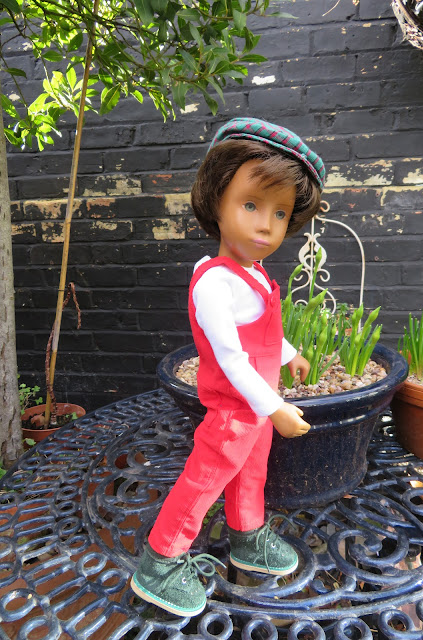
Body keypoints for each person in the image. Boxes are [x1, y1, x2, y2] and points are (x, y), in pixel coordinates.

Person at [131, 117, 326, 616]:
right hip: (234, 409)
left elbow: (263, 332)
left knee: (250, 475)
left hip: (255, 409)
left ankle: (248, 536)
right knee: (205, 480)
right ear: (216, 201)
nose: (266, 225)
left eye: (280, 213)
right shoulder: (215, 284)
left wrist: (289, 354)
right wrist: (275, 407)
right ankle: (160, 562)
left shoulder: (253, 274)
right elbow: (231, 358)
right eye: (251, 205)